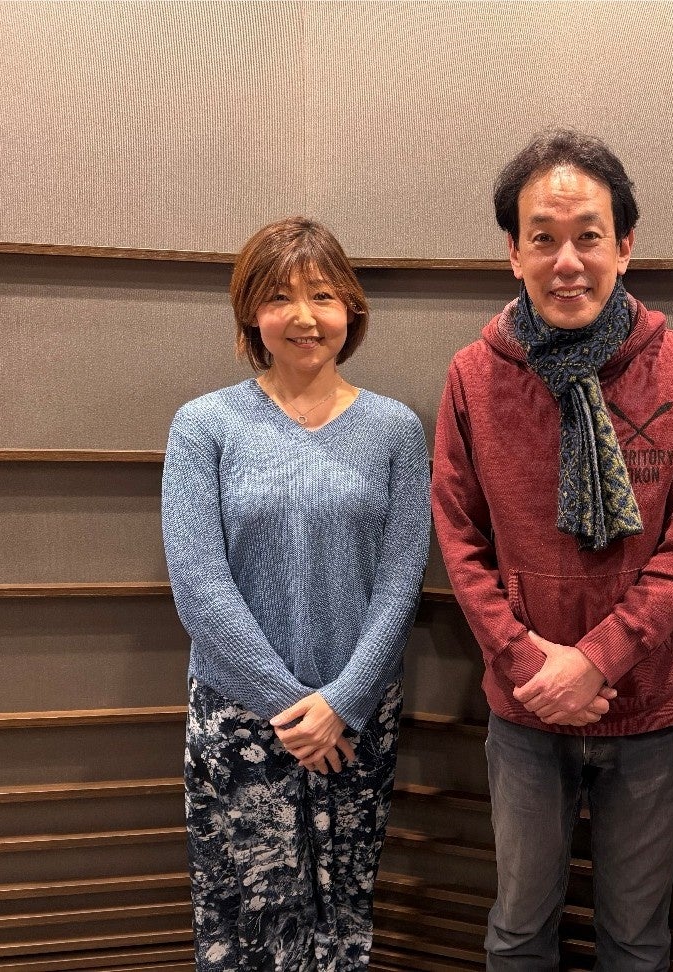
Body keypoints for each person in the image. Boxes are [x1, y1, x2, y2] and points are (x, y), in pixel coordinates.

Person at [431, 128, 673, 970]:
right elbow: (459, 539)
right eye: (543, 238)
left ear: (624, 247)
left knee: (637, 940)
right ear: (512, 252)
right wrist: (530, 665)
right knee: (519, 932)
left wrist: (596, 661)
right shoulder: (472, 376)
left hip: (649, 703)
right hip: (524, 708)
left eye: (588, 236)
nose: (567, 261)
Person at [162, 216, 430, 970]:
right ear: (252, 313)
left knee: (341, 911)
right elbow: (199, 586)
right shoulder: (204, 426)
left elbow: (402, 579)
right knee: (247, 922)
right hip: (242, 719)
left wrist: (340, 703)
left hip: (355, 720)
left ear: (351, 309)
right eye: (280, 296)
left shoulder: (396, 430)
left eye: (323, 295)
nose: (304, 316)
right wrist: (292, 707)